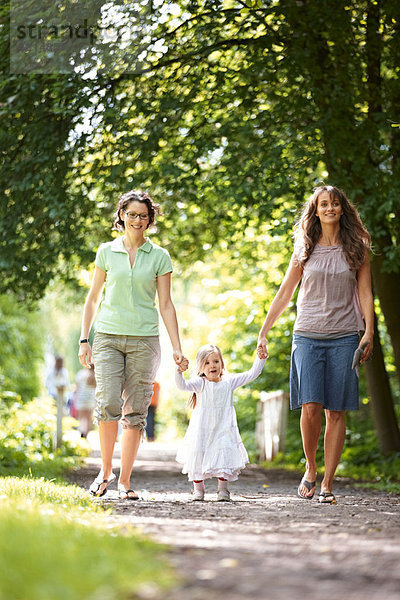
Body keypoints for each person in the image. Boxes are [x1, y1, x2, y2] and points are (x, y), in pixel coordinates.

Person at [257, 185, 373, 505]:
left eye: (335, 203)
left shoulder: (358, 246)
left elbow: (365, 293)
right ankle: (311, 466)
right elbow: (285, 293)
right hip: (307, 335)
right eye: (324, 204)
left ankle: (328, 483)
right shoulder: (304, 246)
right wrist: (264, 331)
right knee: (311, 407)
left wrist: (369, 333)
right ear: (316, 210)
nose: (330, 208)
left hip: (345, 335)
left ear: (342, 209)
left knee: (336, 412)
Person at [78, 189, 188, 500]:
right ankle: (105, 470)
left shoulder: (159, 256)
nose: (137, 220)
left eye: (143, 215)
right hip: (108, 337)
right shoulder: (106, 252)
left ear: (150, 220)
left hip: (145, 340)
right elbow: (92, 298)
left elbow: (166, 304)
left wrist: (177, 347)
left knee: (136, 412)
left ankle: (125, 480)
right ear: (122, 217)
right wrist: (84, 338)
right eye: (132, 214)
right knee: (108, 401)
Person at [176, 344, 266, 501]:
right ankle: (199, 490)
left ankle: (223, 490)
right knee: (198, 455)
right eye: (208, 362)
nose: (212, 365)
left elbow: (252, 373)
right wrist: (179, 371)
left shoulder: (229, 381)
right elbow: (181, 385)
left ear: (222, 364)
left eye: (216, 361)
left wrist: (260, 358)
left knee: (224, 455)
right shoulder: (200, 383)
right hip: (201, 429)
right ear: (201, 366)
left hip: (223, 427)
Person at [74, 365, 96, 438]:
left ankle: (82, 431)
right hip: (91, 399)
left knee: (81, 417)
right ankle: (86, 434)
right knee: (89, 418)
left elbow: (77, 387)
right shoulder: (95, 374)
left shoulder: (81, 374)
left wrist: (75, 398)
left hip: (81, 398)